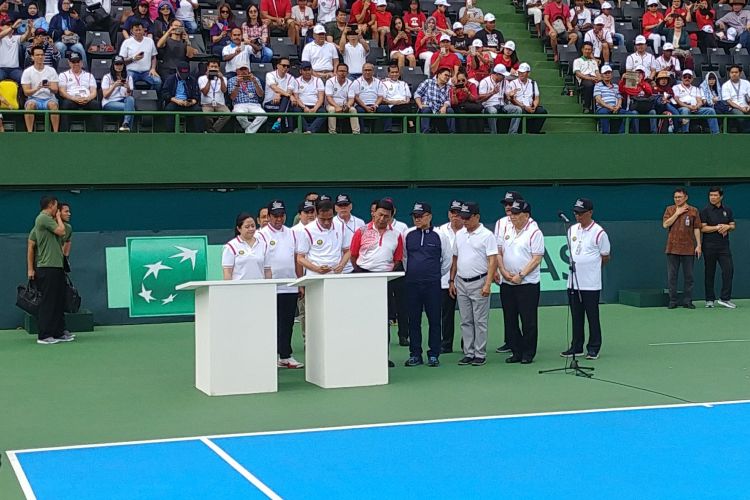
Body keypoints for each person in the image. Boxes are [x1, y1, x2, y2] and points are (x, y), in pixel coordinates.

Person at [349, 198, 405, 367]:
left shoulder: (396, 235)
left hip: (384, 280)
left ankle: (383, 356)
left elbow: (397, 259)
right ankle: (361, 354)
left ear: (391, 216)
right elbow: (353, 255)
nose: (382, 219)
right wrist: (363, 272)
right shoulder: (361, 231)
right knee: (362, 318)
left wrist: (383, 272)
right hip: (362, 276)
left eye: (386, 216)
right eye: (379, 215)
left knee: (384, 320)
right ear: (374, 213)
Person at [402, 202, 452, 367]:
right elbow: (404, 258)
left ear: (429, 216)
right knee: (413, 320)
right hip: (412, 285)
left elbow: (447, 260)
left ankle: (433, 354)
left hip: (432, 284)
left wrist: (435, 275)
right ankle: (415, 354)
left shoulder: (440, 235)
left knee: (434, 320)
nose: (417, 219)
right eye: (415, 216)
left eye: (420, 216)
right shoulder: (407, 234)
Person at [560, 198, 610, 360]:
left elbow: (605, 256)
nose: (578, 216)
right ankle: (577, 346)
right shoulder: (572, 230)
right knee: (576, 315)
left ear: (590, 213)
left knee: (592, 315)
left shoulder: (599, 232)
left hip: (591, 284)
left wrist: (592, 269)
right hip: (574, 281)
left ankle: (594, 347)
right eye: (576, 213)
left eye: (581, 213)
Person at [449, 201, 497, 366]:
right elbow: (455, 258)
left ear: (477, 216)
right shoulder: (460, 234)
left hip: (479, 281)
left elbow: (492, 260)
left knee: (480, 320)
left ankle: (480, 353)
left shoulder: (487, 235)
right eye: (463, 218)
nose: (465, 221)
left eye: (468, 218)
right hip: (461, 281)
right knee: (466, 320)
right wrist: (451, 280)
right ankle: (468, 352)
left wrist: (488, 284)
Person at [497, 199, 544, 364]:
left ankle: (528, 353)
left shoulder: (534, 232)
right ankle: (516, 351)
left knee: (528, 320)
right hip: (507, 281)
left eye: (517, 214)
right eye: (512, 213)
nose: (513, 216)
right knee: (510, 318)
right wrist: (503, 271)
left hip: (527, 284)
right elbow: (499, 251)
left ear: (526, 215)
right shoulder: (506, 228)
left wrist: (521, 275)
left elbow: (537, 258)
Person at [259, 199, 305, 369]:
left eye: (281, 215)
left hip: (290, 285)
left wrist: (300, 282)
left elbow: (297, 259)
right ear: (269, 216)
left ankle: (285, 356)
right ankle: (267, 355)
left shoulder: (293, 233)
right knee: (270, 323)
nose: (279, 219)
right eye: (275, 216)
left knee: (287, 323)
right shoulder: (261, 235)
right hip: (270, 286)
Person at [27, 196, 71, 344]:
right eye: (56, 207)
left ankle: (58, 332)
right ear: (51, 206)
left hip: (57, 267)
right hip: (46, 267)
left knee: (58, 301)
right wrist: (30, 269)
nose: (57, 210)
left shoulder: (50, 222)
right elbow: (61, 231)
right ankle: (44, 335)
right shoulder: (43, 218)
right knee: (49, 302)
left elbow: (65, 237)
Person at [492, 190, 528, 354]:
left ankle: (524, 345)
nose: (508, 207)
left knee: (524, 313)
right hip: (504, 273)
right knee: (509, 311)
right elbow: (497, 249)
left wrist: (519, 274)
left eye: (511, 203)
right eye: (506, 204)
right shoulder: (500, 223)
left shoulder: (528, 224)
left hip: (523, 278)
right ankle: (510, 341)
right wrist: (499, 269)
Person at [662, 187, 702, 309]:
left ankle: (688, 301)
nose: (677, 199)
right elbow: (665, 224)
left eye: (679, 197)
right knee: (672, 276)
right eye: (675, 197)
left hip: (688, 248)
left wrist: (699, 245)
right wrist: (677, 213)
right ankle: (673, 301)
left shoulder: (693, 210)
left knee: (689, 276)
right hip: (672, 248)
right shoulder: (670, 209)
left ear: (686, 197)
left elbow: (697, 228)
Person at [700, 187, 736, 309]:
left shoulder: (727, 210)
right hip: (709, 246)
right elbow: (703, 228)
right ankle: (709, 299)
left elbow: (732, 225)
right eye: (711, 195)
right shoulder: (705, 211)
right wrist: (717, 227)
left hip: (724, 247)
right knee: (710, 272)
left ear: (721, 197)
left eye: (715, 195)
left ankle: (725, 298)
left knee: (728, 270)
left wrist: (727, 227)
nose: (712, 197)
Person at [296, 198, 350, 278]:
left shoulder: (341, 226)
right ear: (316, 214)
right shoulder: (307, 230)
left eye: (330, 218)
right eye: (322, 219)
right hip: (314, 276)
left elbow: (348, 251)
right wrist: (317, 269)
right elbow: (300, 258)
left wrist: (342, 265)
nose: (326, 222)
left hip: (336, 276)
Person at [437, 200, 464, 353]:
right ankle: (446, 344)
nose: (456, 216)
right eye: (453, 213)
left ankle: (467, 344)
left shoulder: (468, 230)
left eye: (459, 213)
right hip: (445, 280)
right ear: (449, 214)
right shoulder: (440, 231)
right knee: (446, 314)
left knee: (467, 316)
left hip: (465, 279)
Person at [58, 52, 101, 132]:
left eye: (78, 61)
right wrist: (73, 98)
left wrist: (88, 98)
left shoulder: (89, 75)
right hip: (71, 99)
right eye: (73, 62)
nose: (76, 64)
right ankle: (64, 132)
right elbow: (62, 91)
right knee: (65, 104)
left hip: (86, 99)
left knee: (95, 104)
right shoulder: (63, 75)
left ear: (81, 62)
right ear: (69, 63)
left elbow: (94, 92)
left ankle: (96, 133)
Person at [21, 46, 59, 132]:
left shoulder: (51, 70)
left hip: (49, 98)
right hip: (34, 98)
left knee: (53, 105)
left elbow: (55, 90)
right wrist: (37, 88)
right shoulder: (27, 72)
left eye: (42, 55)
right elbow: (26, 92)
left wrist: (49, 87)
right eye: (37, 55)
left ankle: (56, 132)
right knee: (30, 105)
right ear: (32, 57)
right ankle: (29, 132)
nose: (40, 57)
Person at [222, 212, 271, 280]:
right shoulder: (231, 246)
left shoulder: (263, 245)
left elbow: (267, 271)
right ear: (239, 229)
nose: (251, 229)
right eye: (247, 227)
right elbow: (227, 272)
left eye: (253, 226)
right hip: (239, 288)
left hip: (259, 288)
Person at [672, 69, 720, 134]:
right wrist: (688, 106)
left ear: (692, 79)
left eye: (689, 77)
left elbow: (699, 101)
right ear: (682, 78)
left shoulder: (696, 88)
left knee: (710, 110)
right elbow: (677, 100)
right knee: (685, 110)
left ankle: (715, 133)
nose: (687, 78)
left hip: (695, 109)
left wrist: (697, 106)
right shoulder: (676, 87)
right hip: (682, 108)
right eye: (685, 77)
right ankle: (685, 133)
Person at [478, 63, 521, 134]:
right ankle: (493, 133)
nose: (504, 77)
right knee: (493, 111)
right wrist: (492, 93)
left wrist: (510, 95)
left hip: (502, 105)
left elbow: (508, 95)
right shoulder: (485, 81)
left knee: (517, 110)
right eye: (502, 75)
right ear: (497, 74)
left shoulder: (505, 82)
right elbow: (480, 97)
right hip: (489, 105)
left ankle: (513, 133)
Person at [162, 60, 203, 132]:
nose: (184, 75)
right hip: (175, 101)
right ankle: (170, 132)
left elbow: (196, 94)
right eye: (182, 73)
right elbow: (164, 93)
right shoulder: (170, 79)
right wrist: (175, 100)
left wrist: (192, 102)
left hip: (188, 101)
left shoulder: (192, 80)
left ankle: (197, 133)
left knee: (198, 110)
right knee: (169, 109)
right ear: (177, 71)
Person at [348, 62, 390, 132]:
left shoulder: (378, 82)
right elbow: (356, 97)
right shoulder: (357, 82)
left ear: (373, 72)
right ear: (362, 71)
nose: (367, 72)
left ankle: (387, 132)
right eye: (365, 70)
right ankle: (361, 132)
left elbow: (380, 97)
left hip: (375, 105)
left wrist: (375, 105)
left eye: (369, 70)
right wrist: (365, 107)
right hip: (361, 105)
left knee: (386, 109)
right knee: (358, 111)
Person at [120, 22, 162, 91]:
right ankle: (134, 99)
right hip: (131, 71)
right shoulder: (127, 42)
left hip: (147, 71)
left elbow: (153, 57)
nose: (138, 32)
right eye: (136, 30)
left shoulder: (150, 41)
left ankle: (152, 99)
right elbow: (122, 61)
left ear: (143, 30)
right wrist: (133, 59)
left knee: (158, 81)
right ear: (132, 31)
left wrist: (153, 68)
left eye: (140, 30)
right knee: (129, 84)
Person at [507, 62, 547, 134]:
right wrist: (524, 107)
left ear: (528, 73)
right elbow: (512, 100)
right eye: (519, 72)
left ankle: (534, 132)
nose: (521, 74)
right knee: (519, 110)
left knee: (542, 111)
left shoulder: (533, 83)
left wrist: (534, 106)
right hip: (518, 106)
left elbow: (536, 97)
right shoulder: (513, 83)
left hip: (529, 105)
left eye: (523, 72)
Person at [594, 64, 634, 134]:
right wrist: (609, 107)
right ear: (602, 75)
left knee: (630, 114)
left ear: (612, 74)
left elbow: (619, 98)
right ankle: (606, 134)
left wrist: (618, 106)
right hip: (603, 108)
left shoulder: (615, 86)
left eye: (609, 73)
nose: (607, 75)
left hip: (615, 108)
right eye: (605, 73)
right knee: (603, 113)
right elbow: (598, 100)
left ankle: (621, 133)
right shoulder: (598, 85)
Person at [228, 62, 267, 133]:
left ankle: (249, 131)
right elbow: (232, 98)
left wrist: (255, 82)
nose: (243, 72)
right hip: (239, 104)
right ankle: (251, 129)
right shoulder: (232, 80)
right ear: (237, 71)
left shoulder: (255, 79)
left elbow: (261, 95)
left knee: (263, 116)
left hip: (254, 104)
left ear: (248, 70)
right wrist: (237, 84)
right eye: (241, 70)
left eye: (245, 69)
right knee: (240, 116)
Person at [414, 66, 454, 133]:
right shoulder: (428, 82)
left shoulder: (448, 87)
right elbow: (417, 94)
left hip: (440, 109)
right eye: (446, 75)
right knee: (426, 110)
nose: (447, 77)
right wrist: (420, 105)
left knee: (450, 110)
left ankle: (451, 133)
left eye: (449, 76)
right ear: (439, 74)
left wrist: (444, 107)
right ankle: (425, 133)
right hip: (428, 107)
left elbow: (448, 100)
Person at [290, 60, 325, 133]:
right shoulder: (296, 81)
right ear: (300, 71)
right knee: (296, 111)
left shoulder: (318, 80)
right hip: (302, 105)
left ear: (311, 70)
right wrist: (304, 107)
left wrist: (315, 108)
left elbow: (321, 98)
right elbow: (296, 97)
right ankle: (308, 130)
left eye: (309, 70)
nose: (307, 72)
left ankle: (309, 130)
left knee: (323, 112)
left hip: (315, 105)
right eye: (305, 70)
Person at [102, 56, 135, 132]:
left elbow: (128, 96)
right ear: (113, 65)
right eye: (117, 64)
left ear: (123, 65)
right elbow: (105, 95)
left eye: (121, 64)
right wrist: (114, 86)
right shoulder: (107, 77)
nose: (119, 66)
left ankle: (125, 124)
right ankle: (128, 129)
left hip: (123, 100)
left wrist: (128, 88)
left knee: (131, 99)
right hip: (109, 102)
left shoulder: (128, 77)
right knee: (131, 109)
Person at [334, 194, 365, 274]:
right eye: (340, 205)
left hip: (357, 265)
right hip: (337, 267)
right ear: (336, 208)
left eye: (345, 205)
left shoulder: (360, 222)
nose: (343, 208)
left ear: (350, 206)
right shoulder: (332, 223)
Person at [325, 63, 360, 134]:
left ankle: (356, 132)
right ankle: (332, 132)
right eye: (340, 71)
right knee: (332, 110)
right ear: (337, 72)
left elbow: (351, 99)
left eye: (344, 71)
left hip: (344, 105)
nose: (342, 73)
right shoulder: (330, 81)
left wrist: (348, 105)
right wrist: (336, 106)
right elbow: (329, 98)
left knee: (353, 110)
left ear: (347, 73)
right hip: (332, 105)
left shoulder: (350, 83)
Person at [199, 59, 230, 133]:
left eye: (215, 67)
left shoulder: (224, 78)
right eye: (211, 66)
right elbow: (205, 92)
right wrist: (209, 79)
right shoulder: (202, 78)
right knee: (206, 115)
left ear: (219, 68)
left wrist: (221, 79)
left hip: (220, 104)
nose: (213, 68)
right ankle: (212, 131)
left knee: (227, 114)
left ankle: (213, 131)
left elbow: (224, 91)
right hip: (207, 104)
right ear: (207, 68)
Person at [263, 57, 294, 132]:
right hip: (270, 101)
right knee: (288, 100)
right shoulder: (270, 75)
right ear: (278, 66)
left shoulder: (291, 77)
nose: (286, 68)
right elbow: (274, 88)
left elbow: (289, 91)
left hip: (283, 103)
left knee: (287, 99)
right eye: (284, 65)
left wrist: (280, 94)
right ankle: (289, 130)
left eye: (288, 66)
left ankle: (279, 121)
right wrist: (289, 95)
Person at [382, 64, 415, 130]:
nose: (395, 74)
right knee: (406, 108)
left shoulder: (404, 83)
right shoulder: (384, 84)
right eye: (392, 72)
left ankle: (409, 127)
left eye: (396, 72)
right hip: (392, 106)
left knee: (407, 107)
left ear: (399, 73)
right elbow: (383, 100)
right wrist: (396, 102)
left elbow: (408, 99)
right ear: (388, 74)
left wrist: (403, 102)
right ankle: (411, 125)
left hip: (404, 105)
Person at [0, 19, 33, 84]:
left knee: (25, 80)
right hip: (1, 69)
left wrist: (29, 28)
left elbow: (26, 37)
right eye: (7, 25)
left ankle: (20, 94)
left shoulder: (16, 37)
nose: (10, 26)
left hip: (15, 69)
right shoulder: (1, 37)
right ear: (1, 27)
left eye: (11, 24)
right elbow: (1, 35)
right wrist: (13, 26)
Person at [450, 69, 483, 133]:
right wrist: (454, 94)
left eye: (463, 80)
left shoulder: (471, 85)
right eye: (459, 80)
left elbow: (474, 99)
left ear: (467, 79)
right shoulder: (453, 88)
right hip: (459, 106)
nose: (461, 82)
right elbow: (454, 103)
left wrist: (468, 92)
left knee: (478, 114)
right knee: (461, 113)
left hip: (469, 105)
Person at [722, 64, 750, 133]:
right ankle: (745, 135)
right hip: (734, 108)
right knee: (740, 116)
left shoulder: (746, 83)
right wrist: (741, 108)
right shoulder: (726, 85)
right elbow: (729, 101)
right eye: (732, 72)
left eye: (736, 72)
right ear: (729, 74)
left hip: (747, 106)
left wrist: (749, 106)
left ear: (740, 73)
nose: (734, 74)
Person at [574, 41, 601, 113]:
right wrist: (590, 78)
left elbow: (597, 72)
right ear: (582, 50)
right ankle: (586, 107)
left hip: (594, 79)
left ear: (592, 51)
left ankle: (599, 107)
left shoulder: (594, 61)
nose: (587, 51)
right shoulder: (577, 61)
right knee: (589, 84)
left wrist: (599, 79)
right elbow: (578, 73)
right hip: (584, 79)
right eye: (586, 49)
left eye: (589, 49)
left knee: (602, 85)